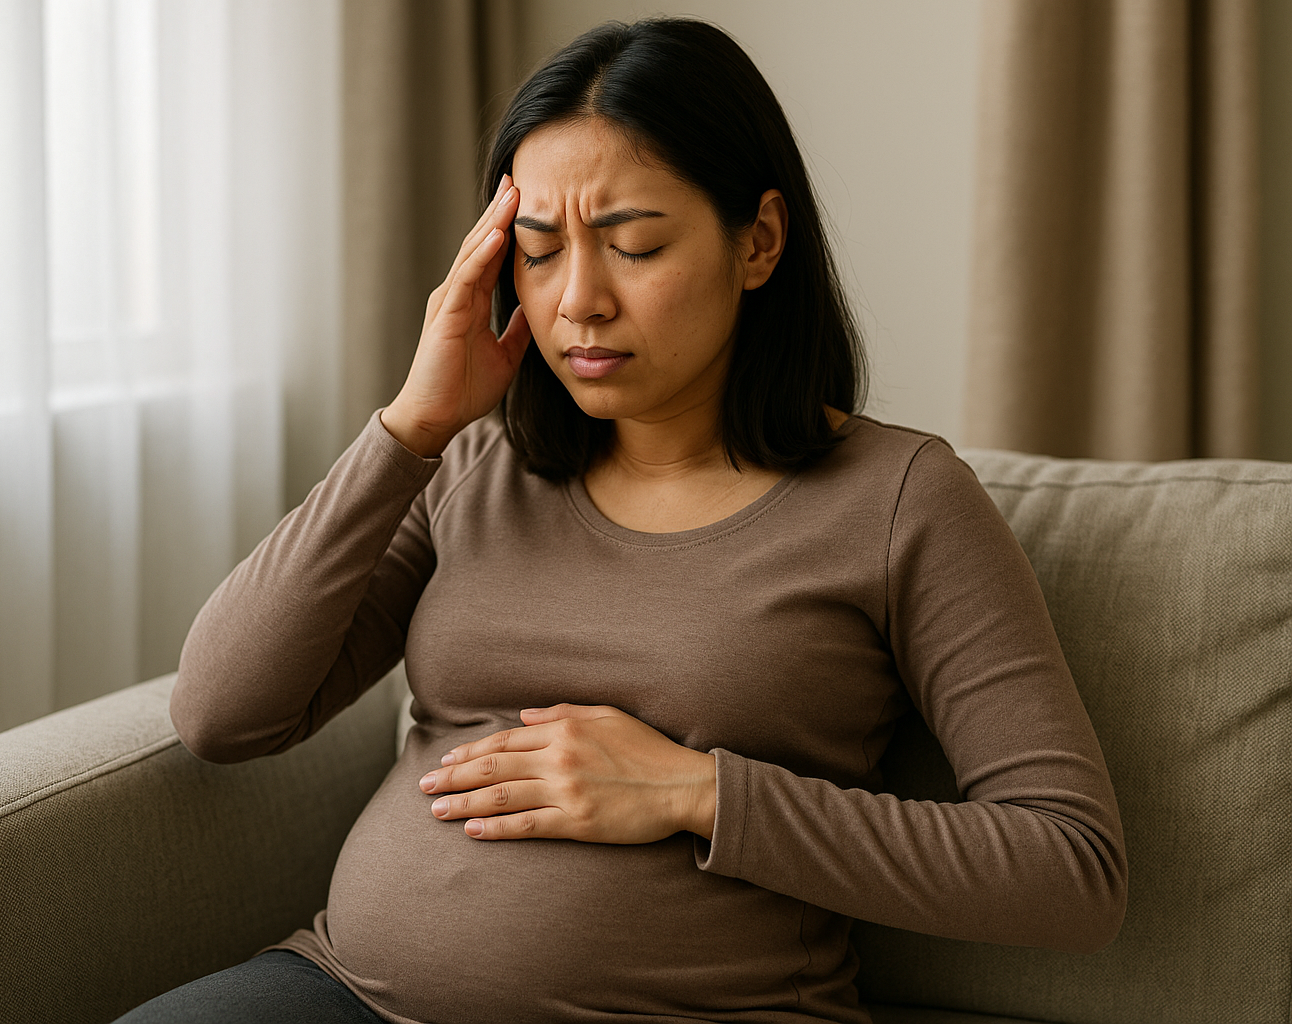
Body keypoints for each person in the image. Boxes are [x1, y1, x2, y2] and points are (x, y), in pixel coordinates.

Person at [116, 17, 1126, 1024]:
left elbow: (1070, 869)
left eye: (632, 245)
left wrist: (700, 793)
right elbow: (221, 712)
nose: (578, 302)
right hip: (352, 996)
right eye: (538, 252)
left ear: (759, 242)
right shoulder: (474, 467)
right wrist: (408, 430)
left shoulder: (900, 499)